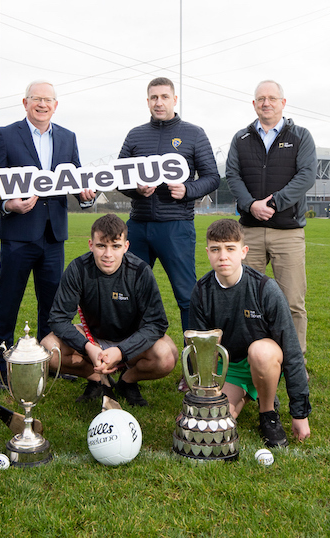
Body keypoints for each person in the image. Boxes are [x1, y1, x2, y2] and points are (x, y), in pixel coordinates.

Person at [0, 81, 95, 388]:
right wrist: (8, 204)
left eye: (48, 100)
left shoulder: (68, 137)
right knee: (7, 303)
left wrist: (87, 196)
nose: (42, 104)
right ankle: (0, 366)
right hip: (18, 234)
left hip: (53, 235)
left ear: (56, 105)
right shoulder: (5, 135)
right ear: (25, 102)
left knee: (53, 306)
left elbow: (76, 179)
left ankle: (49, 362)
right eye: (37, 99)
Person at [117, 77, 219, 389]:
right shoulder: (136, 135)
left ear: (175, 99)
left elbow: (213, 176)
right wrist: (135, 188)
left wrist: (188, 189)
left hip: (176, 227)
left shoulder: (193, 134)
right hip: (138, 226)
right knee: (128, 297)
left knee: (187, 297)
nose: (158, 102)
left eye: (164, 97)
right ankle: (126, 365)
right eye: (153, 98)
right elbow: (119, 177)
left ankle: (194, 370)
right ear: (146, 101)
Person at [190, 219, 311, 447]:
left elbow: (292, 351)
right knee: (216, 422)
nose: (223, 256)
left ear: (243, 252)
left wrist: (300, 413)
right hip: (230, 368)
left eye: (230, 249)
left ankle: (267, 413)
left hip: (265, 360)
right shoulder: (201, 291)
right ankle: (247, 392)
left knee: (261, 351)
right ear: (208, 253)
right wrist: (199, 403)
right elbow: (200, 351)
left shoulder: (265, 288)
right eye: (215, 249)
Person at [42, 214, 178, 407]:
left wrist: (121, 352)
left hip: (132, 339)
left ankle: (127, 381)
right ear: (91, 244)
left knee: (167, 355)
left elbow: (157, 323)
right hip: (94, 340)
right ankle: (97, 379)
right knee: (48, 349)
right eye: (101, 246)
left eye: (115, 246)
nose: (108, 254)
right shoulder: (78, 269)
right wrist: (88, 347)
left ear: (126, 246)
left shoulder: (140, 271)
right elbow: (58, 318)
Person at [226, 80, 317, 359]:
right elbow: (233, 176)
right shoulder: (241, 138)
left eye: (272, 98)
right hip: (249, 232)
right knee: (244, 299)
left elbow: (306, 176)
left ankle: (294, 361)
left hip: (287, 232)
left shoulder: (301, 136)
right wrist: (251, 205)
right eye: (261, 99)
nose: (266, 103)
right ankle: (245, 361)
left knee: (292, 302)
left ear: (283, 103)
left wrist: (274, 203)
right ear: (254, 104)